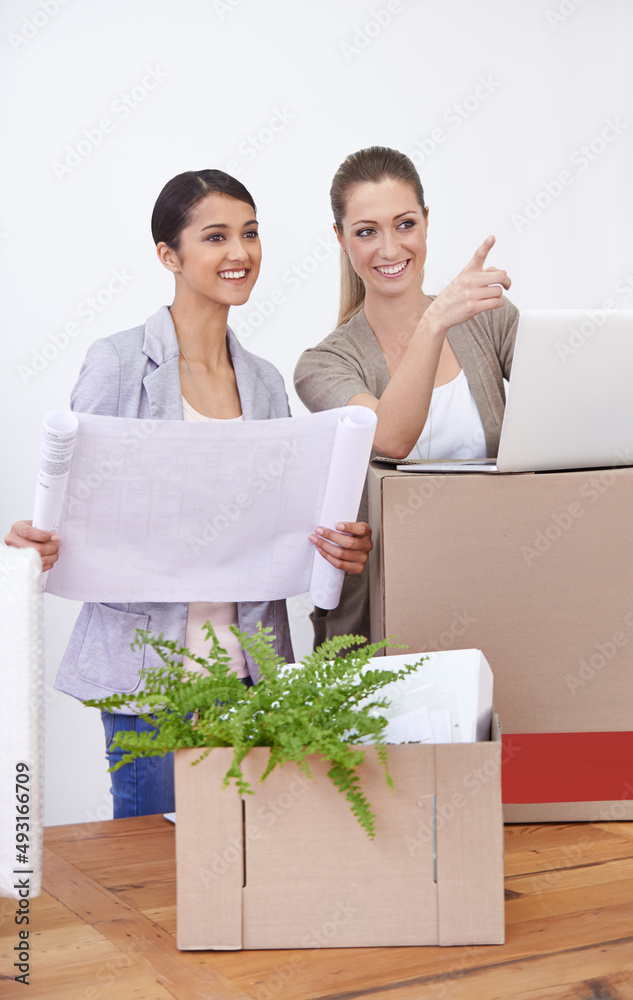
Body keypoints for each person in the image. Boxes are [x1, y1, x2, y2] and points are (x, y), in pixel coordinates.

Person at [5, 169, 372, 818]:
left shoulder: (261, 382)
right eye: (216, 237)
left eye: (250, 233)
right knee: (151, 864)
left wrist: (335, 540)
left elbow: (286, 520)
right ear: (168, 256)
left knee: (237, 858)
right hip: (147, 674)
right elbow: (77, 500)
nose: (240, 253)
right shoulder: (118, 363)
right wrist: (33, 538)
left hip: (247, 669)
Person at [294, 146, 519, 645]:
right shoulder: (323, 365)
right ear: (340, 238)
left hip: (494, 589)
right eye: (366, 231)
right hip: (383, 619)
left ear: (426, 222)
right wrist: (435, 320)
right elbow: (391, 438)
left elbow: (564, 421)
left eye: (405, 224)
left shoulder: (491, 318)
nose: (390, 249)